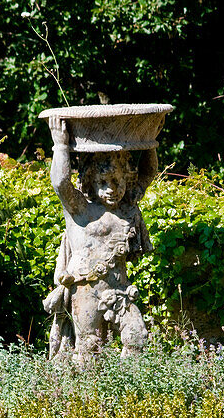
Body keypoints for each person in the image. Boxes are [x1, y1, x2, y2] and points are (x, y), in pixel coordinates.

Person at [43, 115, 157, 360]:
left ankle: (131, 394)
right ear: (91, 182)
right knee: (89, 349)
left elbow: (149, 173)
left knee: (137, 337)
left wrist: (149, 142)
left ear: (127, 179)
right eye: (103, 182)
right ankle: (87, 397)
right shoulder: (80, 210)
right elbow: (61, 183)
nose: (111, 189)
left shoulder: (127, 208)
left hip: (121, 290)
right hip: (85, 290)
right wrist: (61, 145)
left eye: (117, 181)